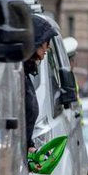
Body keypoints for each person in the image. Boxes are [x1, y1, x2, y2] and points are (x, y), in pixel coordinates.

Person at [22, 15, 58, 160]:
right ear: (34, 41)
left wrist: (29, 146)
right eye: (45, 42)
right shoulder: (16, 73)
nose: (47, 47)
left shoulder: (24, 73)